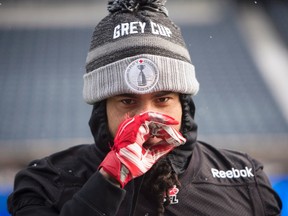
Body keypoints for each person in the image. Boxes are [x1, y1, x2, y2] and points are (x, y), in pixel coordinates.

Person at [8, 0, 282, 215]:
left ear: (184, 106)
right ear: (102, 109)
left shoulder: (245, 179)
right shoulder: (44, 182)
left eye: (163, 99)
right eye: (127, 101)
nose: (145, 118)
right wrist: (108, 180)